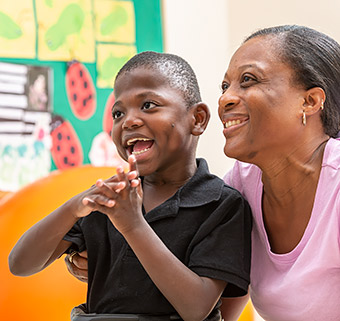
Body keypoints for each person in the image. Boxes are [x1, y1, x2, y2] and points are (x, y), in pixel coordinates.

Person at [9, 51, 252, 321]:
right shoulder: (110, 199)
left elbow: (196, 308)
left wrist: (133, 225)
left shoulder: (222, 204)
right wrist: (73, 207)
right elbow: (20, 264)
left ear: (197, 119)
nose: (129, 121)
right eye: (117, 112)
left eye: (148, 105)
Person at [218, 25, 340, 321]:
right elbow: (216, 310)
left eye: (248, 80)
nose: (225, 100)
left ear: (310, 101)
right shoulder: (240, 183)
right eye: (225, 86)